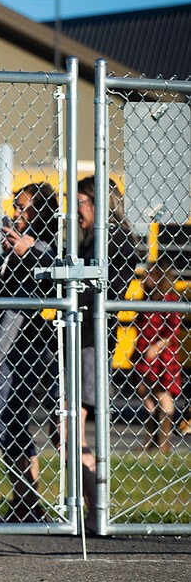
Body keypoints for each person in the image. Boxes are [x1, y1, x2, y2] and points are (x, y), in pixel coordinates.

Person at [0, 182, 59, 523]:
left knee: (11, 422)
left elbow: (18, 310)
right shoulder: (9, 248)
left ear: (39, 212)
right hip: (2, 347)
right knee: (5, 424)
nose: (16, 213)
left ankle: (30, 499)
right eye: (16, 206)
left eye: (23, 207)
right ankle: (24, 499)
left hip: (24, 348)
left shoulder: (42, 248)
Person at [75, 176, 140, 522]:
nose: (76, 210)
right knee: (69, 428)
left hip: (91, 339)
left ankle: (96, 507)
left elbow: (100, 287)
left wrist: (71, 286)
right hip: (81, 335)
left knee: (71, 426)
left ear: (99, 204)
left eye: (82, 202)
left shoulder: (112, 239)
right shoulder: (93, 239)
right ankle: (91, 507)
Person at [132, 259, 181, 455]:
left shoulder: (168, 299)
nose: (145, 278)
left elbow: (174, 327)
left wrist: (157, 346)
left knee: (163, 395)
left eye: (149, 275)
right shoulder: (148, 298)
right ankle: (150, 440)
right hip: (145, 353)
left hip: (163, 356)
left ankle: (164, 444)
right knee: (145, 392)